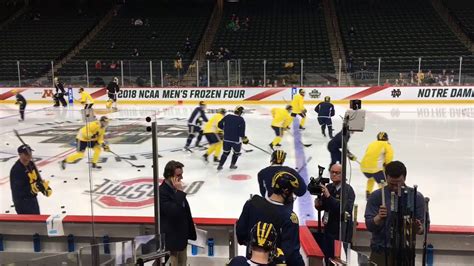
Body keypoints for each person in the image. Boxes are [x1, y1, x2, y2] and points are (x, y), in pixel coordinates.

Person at [236, 171, 304, 266]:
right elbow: (291, 254)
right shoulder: (289, 217)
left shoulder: (252, 203)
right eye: (292, 192)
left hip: (251, 260)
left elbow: (240, 235)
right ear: (286, 191)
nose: (292, 196)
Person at [364, 161, 426, 265]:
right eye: (391, 184)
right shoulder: (377, 196)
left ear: (404, 178)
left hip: (405, 253)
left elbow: (423, 229)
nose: (395, 187)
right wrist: (378, 217)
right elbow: (370, 226)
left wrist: (417, 228)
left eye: (398, 183)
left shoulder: (416, 197)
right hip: (381, 252)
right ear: (386, 178)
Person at [314, 163, 355, 259]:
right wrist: (318, 205)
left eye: (337, 173)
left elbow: (343, 210)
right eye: (332, 172)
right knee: (327, 257)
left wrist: (328, 196)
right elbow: (325, 206)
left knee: (338, 259)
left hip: (341, 232)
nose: (334, 175)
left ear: (343, 174)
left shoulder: (348, 190)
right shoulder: (329, 187)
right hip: (328, 229)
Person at [160, 160, 196, 266]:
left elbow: (184, 210)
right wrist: (180, 192)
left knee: (183, 263)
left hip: (181, 239)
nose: (182, 178)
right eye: (179, 175)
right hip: (172, 243)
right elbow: (173, 212)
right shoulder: (162, 192)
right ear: (169, 176)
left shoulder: (175, 189)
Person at [10, 145, 52, 214]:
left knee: (37, 220)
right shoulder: (17, 170)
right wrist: (34, 188)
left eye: (30, 153)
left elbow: (37, 179)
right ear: (20, 155)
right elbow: (18, 191)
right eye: (26, 153)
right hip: (22, 202)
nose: (29, 155)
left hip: (32, 199)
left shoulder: (31, 164)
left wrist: (44, 188)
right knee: (29, 223)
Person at [360, 132, 394, 199]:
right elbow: (389, 156)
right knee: (383, 183)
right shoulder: (386, 144)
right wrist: (387, 164)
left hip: (364, 168)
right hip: (376, 169)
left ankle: (368, 193)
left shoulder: (372, 143)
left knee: (371, 178)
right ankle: (384, 196)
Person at [217, 106, 249, 170]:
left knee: (225, 153)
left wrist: (224, 129)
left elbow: (219, 124)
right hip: (236, 141)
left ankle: (220, 166)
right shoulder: (241, 119)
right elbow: (242, 132)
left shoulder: (228, 116)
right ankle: (232, 165)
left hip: (226, 139)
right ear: (240, 112)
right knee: (236, 153)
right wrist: (244, 139)